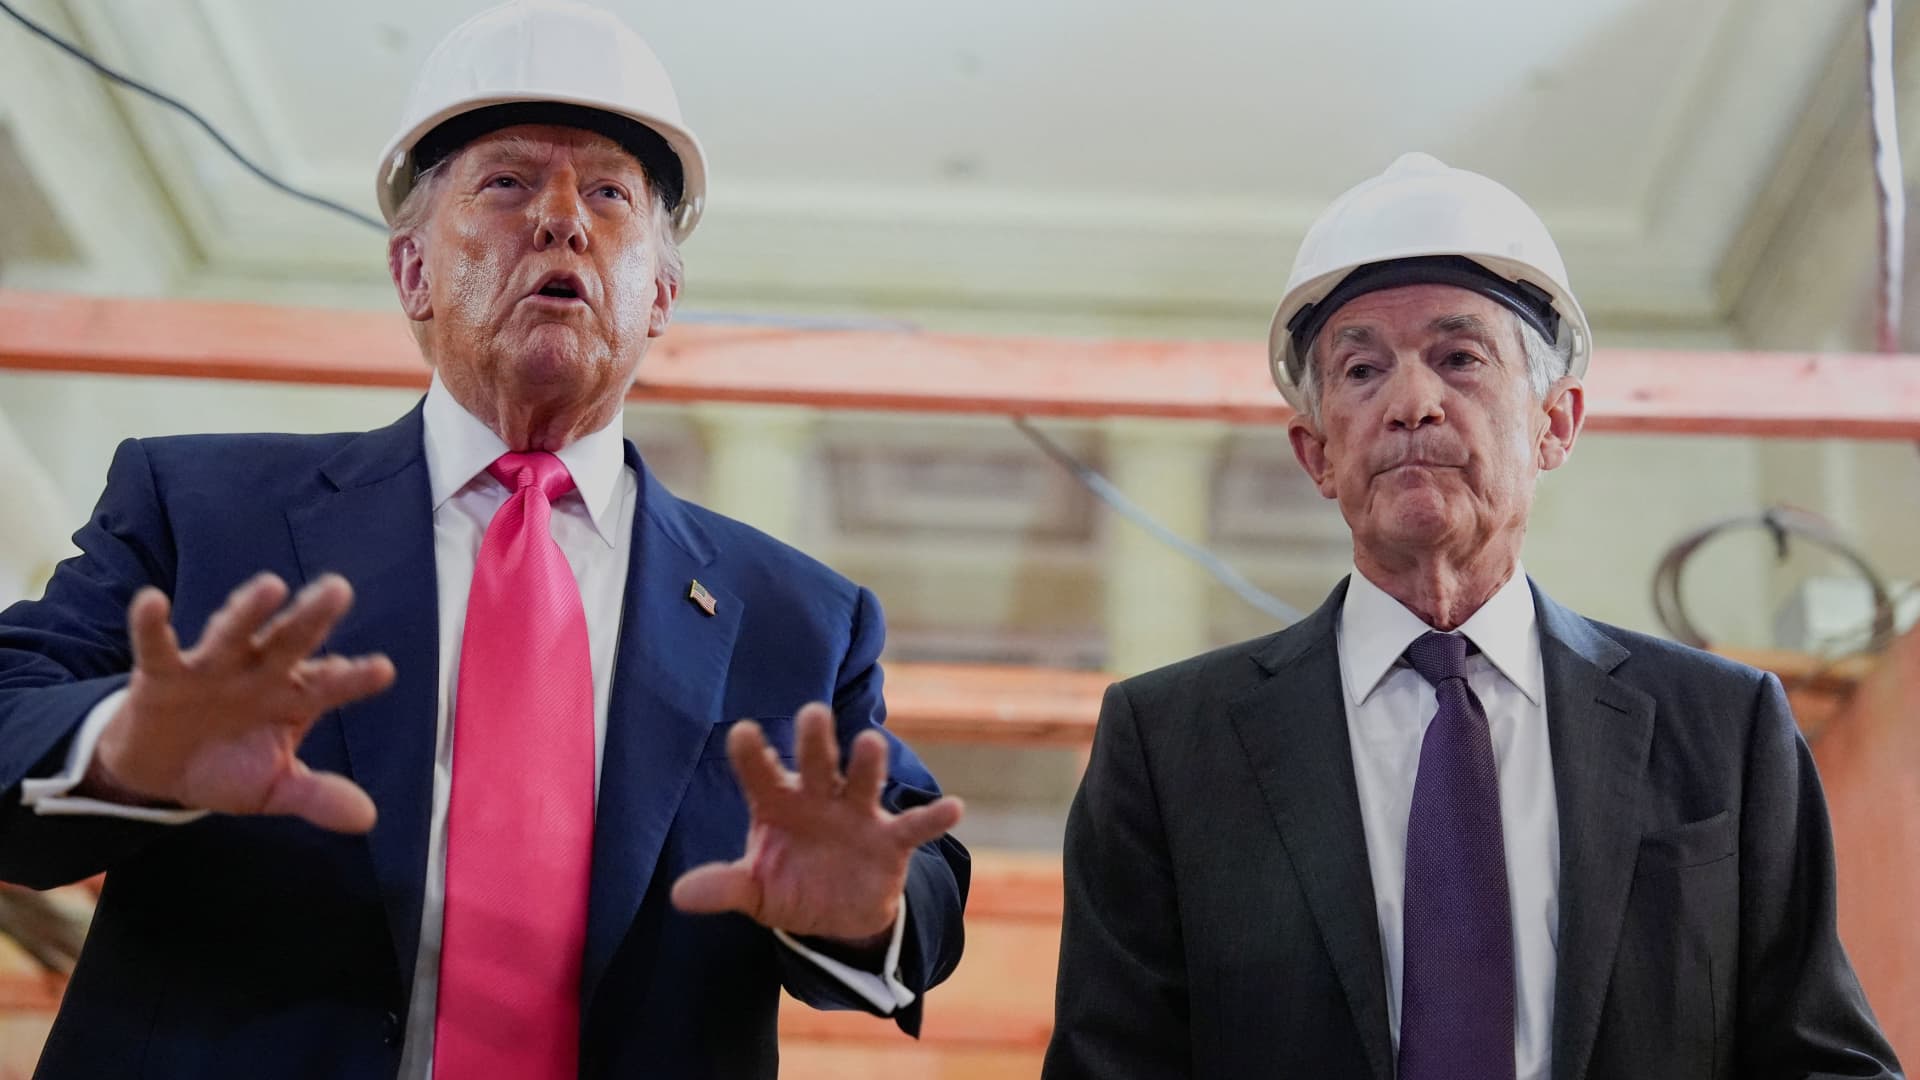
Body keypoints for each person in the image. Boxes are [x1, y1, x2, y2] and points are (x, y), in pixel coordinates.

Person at [0, 3, 967, 1077]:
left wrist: (870, 908)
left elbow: (917, 867)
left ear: (660, 297)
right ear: (412, 272)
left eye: (610, 194)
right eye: (507, 183)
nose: (561, 221)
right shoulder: (202, 510)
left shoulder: (800, 618)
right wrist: (118, 748)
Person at [1044, 153, 1902, 1080]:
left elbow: (1822, 1061)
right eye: (1362, 369)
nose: (1413, 404)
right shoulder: (1169, 748)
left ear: (1555, 424)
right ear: (1316, 453)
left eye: (1460, 359)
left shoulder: (1724, 730)